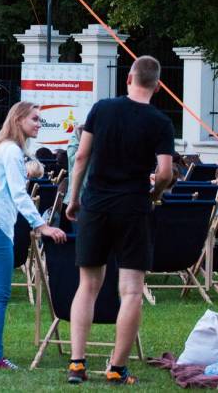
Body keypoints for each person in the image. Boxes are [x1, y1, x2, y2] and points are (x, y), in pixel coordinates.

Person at [65, 55, 174, 385]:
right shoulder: (160, 122)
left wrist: (74, 198)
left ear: (128, 78)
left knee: (87, 286)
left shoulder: (102, 109)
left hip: (96, 204)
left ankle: (77, 364)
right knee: (131, 291)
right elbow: (165, 172)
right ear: (157, 86)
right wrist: (154, 195)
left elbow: (81, 156)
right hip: (133, 208)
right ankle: (116, 368)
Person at [0, 102, 66, 370]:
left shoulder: (1, 148)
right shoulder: (11, 151)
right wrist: (41, 226)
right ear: (18, 120)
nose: (39, 124)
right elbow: (20, 194)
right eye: (35, 119)